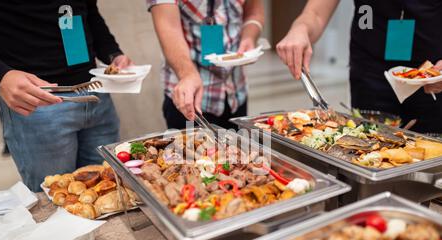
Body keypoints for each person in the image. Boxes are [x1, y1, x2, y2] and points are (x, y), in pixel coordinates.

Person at [0, 0, 132, 192]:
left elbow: (87, 10)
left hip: (96, 92)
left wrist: (112, 52)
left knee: (107, 189)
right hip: (39, 100)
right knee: (56, 199)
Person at [276, 0, 442, 134]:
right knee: (367, 143)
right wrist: (300, 28)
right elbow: (315, 13)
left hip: (432, 71)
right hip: (370, 68)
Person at [147, 0, 264, 129]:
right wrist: (188, 74)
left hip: (236, 93)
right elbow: (169, 27)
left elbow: (254, 13)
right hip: (190, 98)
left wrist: (249, 37)